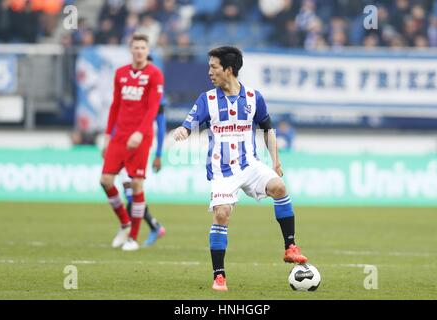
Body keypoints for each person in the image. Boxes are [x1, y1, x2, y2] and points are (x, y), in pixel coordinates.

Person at [173, 46, 308, 291]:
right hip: (222, 170)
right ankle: (219, 275)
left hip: (250, 164)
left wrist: (275, 161)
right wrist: (183, 130)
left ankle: (290, 247)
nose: (210, 72)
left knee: (279, 186)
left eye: (214, 67)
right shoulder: (207, 99)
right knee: (222, 214)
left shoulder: (254, 98)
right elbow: (190, 122)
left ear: (229, 70)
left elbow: (268, 130)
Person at [100, 33, 164, 251]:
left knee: (136, 184)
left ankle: (133, 238)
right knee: (106, 180)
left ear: (148, 50)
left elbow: (153, 108)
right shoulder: (120, 74)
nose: (139, 51)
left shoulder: (155, 75)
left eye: (143, 48)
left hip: (141, 137)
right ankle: (125, 223)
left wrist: (140, 132)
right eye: (135, 47)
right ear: (130, 50)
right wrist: (108, 136)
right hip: (119, 137)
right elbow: (115, 106)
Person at [118, 54, 167, 247]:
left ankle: (140, 228)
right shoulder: (131, 91)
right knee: (128, 190)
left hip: (142, 145)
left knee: (133, 190)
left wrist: (159, 154)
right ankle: (149, 226)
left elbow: (161, 126)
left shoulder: (158, 97)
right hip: (123, 143)